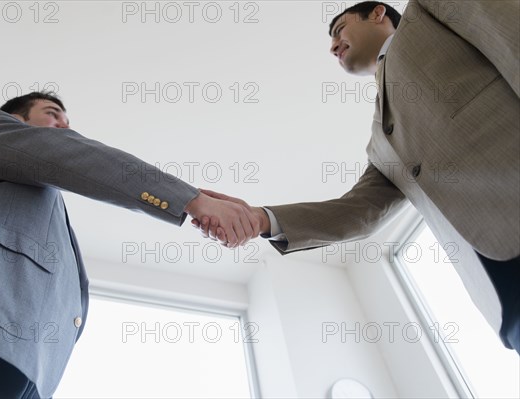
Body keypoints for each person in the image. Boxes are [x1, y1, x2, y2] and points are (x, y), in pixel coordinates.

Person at [195, 0, 520, 353]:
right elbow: (358, 212)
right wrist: (259, 219)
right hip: (503, 296)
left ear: (378, 13)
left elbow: (511, 36)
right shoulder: (382, 141)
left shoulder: (431, 13)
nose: (333, 46)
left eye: (339, 31)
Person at [0, 91, 260, 398]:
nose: (65, 126)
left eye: (68, 121)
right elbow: (72, 155)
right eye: (52, 113)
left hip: (25, 373)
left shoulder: (48, 215)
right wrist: (192, 200)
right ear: (18, 119)